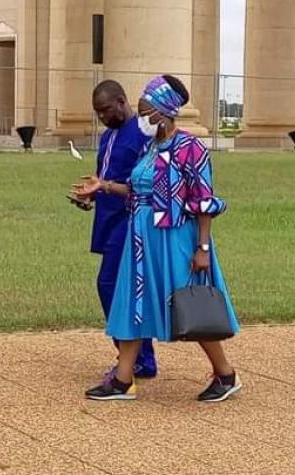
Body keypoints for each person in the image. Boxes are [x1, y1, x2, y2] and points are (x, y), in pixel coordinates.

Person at [72, 75, 241, 402]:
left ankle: (225, 374)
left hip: (174, 237)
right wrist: (103, 186)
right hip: (141, 239)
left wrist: (203, 247)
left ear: (164, 113)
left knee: (187, 304)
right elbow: (136, 189)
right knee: (132, 303)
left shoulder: (189, 147)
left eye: (146, 111)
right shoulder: (150, 148)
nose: (142, 118)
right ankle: (123, 380)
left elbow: (203, 201)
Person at [77, 80, 158, 378]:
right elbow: (104, 176)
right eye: (97, 112)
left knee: (110, 284)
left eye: (106, 110)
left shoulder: (142, 134)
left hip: (130, 220)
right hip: (108, 219)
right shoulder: (107, 136)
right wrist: (91, 195)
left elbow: (144, 183)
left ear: (122, 102)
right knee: (122, 288)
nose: (102, 117)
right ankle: (141, 358)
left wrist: (105, 187)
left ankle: (136, 357)